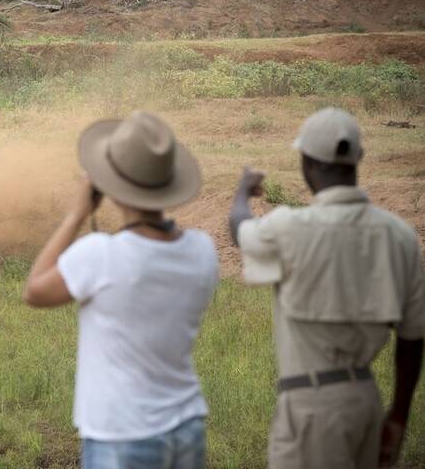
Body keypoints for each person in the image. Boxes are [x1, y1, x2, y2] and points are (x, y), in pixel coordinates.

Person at [228, 107, 424, 469]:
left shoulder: (289, 226)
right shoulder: (400, 235)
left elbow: (239, 228)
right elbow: (413, 338)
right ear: (359, 159)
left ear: (306, 162)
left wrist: (242, 192)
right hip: (366, 401)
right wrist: (398, 415)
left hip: (311, 405)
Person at [24, 111, 219, 469]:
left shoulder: (100, 254)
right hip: (187, 425)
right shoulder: (203, 251)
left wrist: (77, 214)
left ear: (108, 187)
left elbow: (35, 290)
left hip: (122, 434)